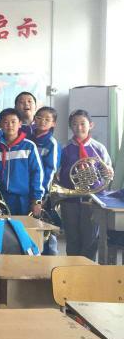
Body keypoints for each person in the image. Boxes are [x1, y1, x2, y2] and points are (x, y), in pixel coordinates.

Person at [59, 110, 112, 259]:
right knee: (72, 237)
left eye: (82, 123)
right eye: (74, 124)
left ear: (91, 125)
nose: (79, 127)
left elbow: (107, 172)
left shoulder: (99, 148)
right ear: (70, 127)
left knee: (90, 239)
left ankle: (87, 268)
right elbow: (57, 172)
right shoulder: (64, 148)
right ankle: (71, 268)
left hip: (92, 200)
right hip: (70, 199)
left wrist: (108, 172)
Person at [0, 109, 44, 215]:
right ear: (0, 125)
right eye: (6, 122)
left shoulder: (29, 146)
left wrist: (36, 199)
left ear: (20, 124)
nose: (10, 125)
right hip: (1, 198)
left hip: (24, 199)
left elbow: (37, 173)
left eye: (13, 122)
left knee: (23, 225)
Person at [29, 106, 61, 255]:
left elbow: (50, 170)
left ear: (53, 123)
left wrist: (41, 196)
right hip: (27, 190)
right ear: (34, 119)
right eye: (39, 117)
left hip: (42, 193)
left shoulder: (52, 143)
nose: (42, 121)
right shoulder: (27, 139)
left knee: (44, 228)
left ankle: (49, 258)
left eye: (47, 119)